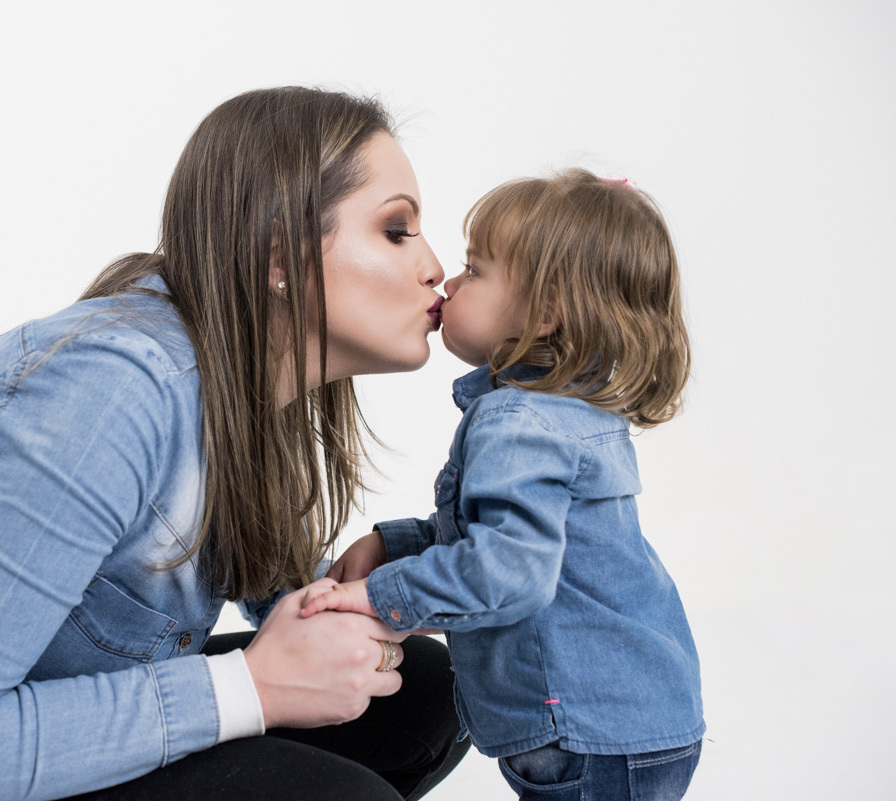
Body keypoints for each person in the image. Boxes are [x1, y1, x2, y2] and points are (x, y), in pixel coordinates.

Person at [0, 87, 472, 801]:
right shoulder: (109, 393)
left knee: (421, 694)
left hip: (24, 720)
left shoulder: (240, 383)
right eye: (397, 229)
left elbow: (277, 596)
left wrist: (383, 582)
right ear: (280, 257)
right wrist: (255, 686)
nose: (433, 264)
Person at [302, 170, 705, 800]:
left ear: (545, 313)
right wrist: (397, 545)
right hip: (634, 716)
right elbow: (511, 538)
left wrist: (381, 596)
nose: (449, 282)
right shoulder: (566, 410)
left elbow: (507, 571)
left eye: (474, 269)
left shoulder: (518, 422)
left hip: (584, 733)